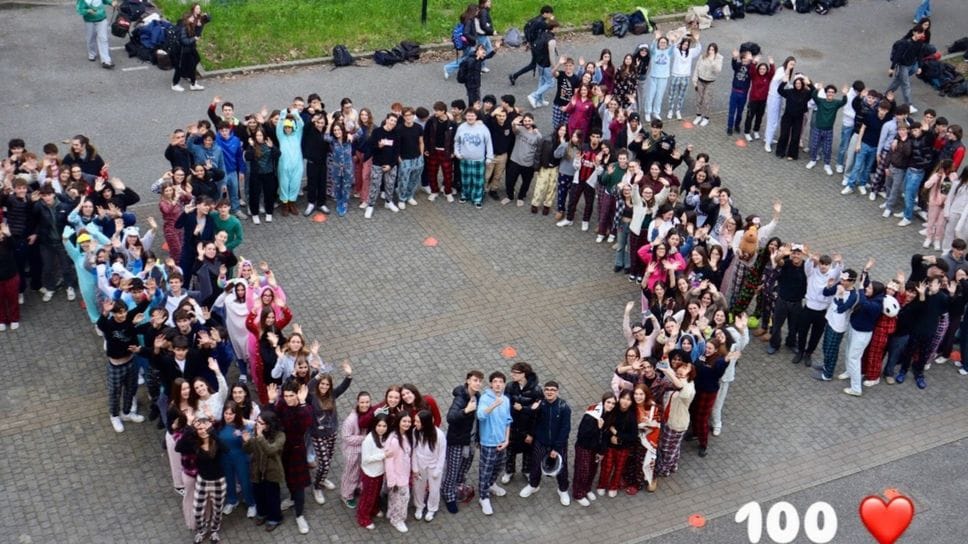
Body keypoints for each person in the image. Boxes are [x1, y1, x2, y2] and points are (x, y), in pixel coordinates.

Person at [267, 380, 313, 534]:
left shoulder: (303, 408)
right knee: (287, 478)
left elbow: (305, 422)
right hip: (283, 449)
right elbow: (270, 418)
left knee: (299, 485)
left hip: (297, 450)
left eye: (291, 395)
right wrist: (271, 401)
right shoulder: (282, 405)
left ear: (297, 395)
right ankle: (292, 499)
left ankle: (300, 515)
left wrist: (301, 403)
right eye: (285, 395)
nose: (288, 398)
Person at [518, 381, 572, 506]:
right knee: (535, 465)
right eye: (547, 389)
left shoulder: (564, 407)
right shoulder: (540, 405)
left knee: (561, 469)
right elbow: (533, 420)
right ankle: (533, 485)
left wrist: (556, 448)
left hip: (558, 444)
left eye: (552, 390)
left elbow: (565, 429)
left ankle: (563, 490)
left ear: (557, 392)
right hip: (541, 442)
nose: (549, 392)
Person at [175, 415, 226, 543]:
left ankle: (214, 530)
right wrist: (190, 429)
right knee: (197, 510)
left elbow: (226, 449)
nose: (203, 431)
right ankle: (202, 530)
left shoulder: (216, 443)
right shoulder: (194, 444)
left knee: (218, 509)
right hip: (202, 481)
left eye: (205, 429)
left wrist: (213, 433)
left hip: (218, 481)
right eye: (200, 429)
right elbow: (178, 447)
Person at [307, 361, 352, 505]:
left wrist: (348, 375)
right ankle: (317, 486)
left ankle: (322, 477)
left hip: (332, 432)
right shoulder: (312, 397)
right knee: (325, 463)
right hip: (317, 434)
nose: (324, 386)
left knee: (327, 459)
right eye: (322, 384)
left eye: (327, 384)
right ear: (318, 384)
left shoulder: (332, 395)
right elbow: (307, 388)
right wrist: (317, 375)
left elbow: (344, 386)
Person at [442, 370, 483, 513]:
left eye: (479, 381)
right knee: (452, 470)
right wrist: (466, 410)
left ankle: (458, 487)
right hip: (457, 441)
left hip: (470, 441)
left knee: (464, 468)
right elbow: (450, 417)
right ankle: (448, 495)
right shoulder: (460, 398)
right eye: (475, 380)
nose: (477, 383)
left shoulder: (478, 397)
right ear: (468, 381)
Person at [242, 409, 286, 531]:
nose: (257, 424)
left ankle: (275, 518)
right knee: (259, 494)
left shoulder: (280, 435)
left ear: (268, 424)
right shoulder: (258, 433)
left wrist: (260, 436)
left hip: (271, 471)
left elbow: (271, 450)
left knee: (272, 496)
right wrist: (246, 442)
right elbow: (249, 450)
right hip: (257, 470)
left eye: (260, 422)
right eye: (257, 421)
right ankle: (262, 513)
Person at [476, 371, 512, 515]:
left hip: (502, 442)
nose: (498, 384)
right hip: (488, 443)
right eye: (495, 381)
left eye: (501, 382)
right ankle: (483, 497)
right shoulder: (485, 398)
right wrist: (493, 405)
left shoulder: (506, 399)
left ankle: (491, 485)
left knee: (498, 467)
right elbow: (480, 416)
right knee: (485, 471)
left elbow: (508, 421)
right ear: (491, 384)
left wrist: (507, 439)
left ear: (504, 384)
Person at [654, 360, 695, 479]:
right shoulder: (677, 379)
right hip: (668, 419)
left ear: (690, 373)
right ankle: (673, 465)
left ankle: (664, 469)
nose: (681, 370)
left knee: (667, 449)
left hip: (676, 423)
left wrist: (668, 371)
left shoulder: (689, 387)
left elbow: (681, 388)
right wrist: (666, 354)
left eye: (686, 368)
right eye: (681, 367)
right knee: (674, 447)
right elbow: (669, 373)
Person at [217, 401, 257, 519]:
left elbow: (249, 446)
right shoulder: (219, 426)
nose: (228, 416)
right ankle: (232, 501)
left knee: (245, 481)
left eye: (231, 414)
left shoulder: (243, 427)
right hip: (225, 458)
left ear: (237, 415)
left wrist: (246, 440)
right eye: (226, 413)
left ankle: (251, 503)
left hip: (240, 458)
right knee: (229, 480)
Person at [571, 393, 613, 506]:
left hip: (596, 448)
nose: (611, 405)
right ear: (603, 402)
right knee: (582, 471)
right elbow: (583, 434)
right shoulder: (591, 415)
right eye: (608, 402)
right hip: (584, 447)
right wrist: (598, 428)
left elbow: (605, 436)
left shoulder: (608, 416)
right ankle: (578, 494)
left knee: (592, 470)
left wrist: (601, 451)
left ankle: (587, 489)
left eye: (613, 403)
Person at [595, 389, 636, 497]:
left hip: (623, 447)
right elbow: (605, 427)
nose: (625, 402)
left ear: (632, 402)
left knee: (619, 468)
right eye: (623, 398)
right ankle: (602, 484)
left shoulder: (632, 416)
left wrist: (617, 435)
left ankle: (614, 486)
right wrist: (611, 435)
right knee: (606, 467)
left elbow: (633, 436)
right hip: (609, 445)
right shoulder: (613, 410)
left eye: (628, 399)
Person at [411, 409, 447, 522]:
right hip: (420, 464)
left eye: (417, 421)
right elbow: (414, 450)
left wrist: (438, 470)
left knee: (434, 489)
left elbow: (442, 455)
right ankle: (419, 506)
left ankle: (432, 508)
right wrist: (415, 468)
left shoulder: (439, 435)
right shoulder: (415, 432)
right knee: (418, 487)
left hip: (434, 466)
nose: (414, 423)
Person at [339, 391, 373, 508]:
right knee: (350, 473)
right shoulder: (351, 419)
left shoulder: (368, 414)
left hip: (362, 450)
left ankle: (355, 488)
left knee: (358, 472)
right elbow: (346, 437)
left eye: (367, 402)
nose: (365, 405)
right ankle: (346, 495)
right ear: (357, 402)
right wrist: (365, 438)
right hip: (351, 451)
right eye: (362, 402)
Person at [455, 109, 494, 208]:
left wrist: (489, 157)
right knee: (465, 179)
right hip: (465, 159)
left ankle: (477, 199)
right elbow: (457, 141)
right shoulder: (461, 127)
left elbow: (488, 143)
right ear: (465, 117)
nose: (470, 117)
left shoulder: (483, 128)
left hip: (479, 160)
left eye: (472, 116)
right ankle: (465, 195)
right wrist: (457, 152)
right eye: (468, 115)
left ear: (476, 117)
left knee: (478, 181)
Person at [357, 413, 390, 529]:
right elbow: (365, 460)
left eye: (384, 426)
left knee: (375, 494)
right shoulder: (369, 440)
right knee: (367, 497)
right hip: (370, 474)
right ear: (374, 425)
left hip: (379, 472)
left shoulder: (384, 437)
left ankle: (374, 509)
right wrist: (383, 455)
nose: (381, 428)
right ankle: (363, 517)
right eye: (379, 425)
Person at [509, 5, 554, 85]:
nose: (551, 15)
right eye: (550, 14)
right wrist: (552, 19)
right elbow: (552, 26)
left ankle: (515, 75)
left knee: (534, 63)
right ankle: (514, 75)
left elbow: (529, 31)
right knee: (534, 64)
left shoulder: (536, 19)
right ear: (545, 13)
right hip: (537, 46)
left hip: (534, 44)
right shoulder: (541, 22)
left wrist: (529, 42)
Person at [384, 412, 413, 533]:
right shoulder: (395, 441)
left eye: (409, 421)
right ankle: (397, 520)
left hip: (403, 474)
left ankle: (391, 513)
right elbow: (389, 462)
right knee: (403, 499)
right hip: (397, 477)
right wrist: (392, 480)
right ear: (398, 422)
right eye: (404, 421)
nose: (407, 424)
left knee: (395, 498)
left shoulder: (403, 435)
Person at [275, 108, 305, 216]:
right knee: (284, 184)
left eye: (290, 127)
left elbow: (301, 125)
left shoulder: (297, 136)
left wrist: (295, 114)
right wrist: (283, 114)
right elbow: (279, 126)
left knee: (295, 184)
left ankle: (292, 203)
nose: (288, 129)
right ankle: (285, 204)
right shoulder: (281, 137)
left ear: (293, 128)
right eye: (286, 127)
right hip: (284, 165)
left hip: (297, 165)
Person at [525, 21, 560, 110]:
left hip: (539, 62)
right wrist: (554, 67)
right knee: (550, 82)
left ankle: (540, 100)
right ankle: (534, 95)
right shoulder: (551, 40)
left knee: (542, 80)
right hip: (546, 63)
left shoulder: (543, 33)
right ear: (554, 28)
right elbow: (551, 55)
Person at [172, 3, 207, 92]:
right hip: (182, 50)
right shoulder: (183, 28)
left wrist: (199, 27)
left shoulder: (191, 25)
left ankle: (191, 80)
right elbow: (184, 41)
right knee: (180, 67)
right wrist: (194, 38)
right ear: (187, 19)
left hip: (190, 48)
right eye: (191, 18)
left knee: (196, 60)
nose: (193, 19)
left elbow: (197, 34)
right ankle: (175, 84)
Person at [666, 31, 701, 120]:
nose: (685, 46)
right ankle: (670, 110)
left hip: (685, 77)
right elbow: (673, 45)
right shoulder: (676, 51)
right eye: (684, 44)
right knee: (672, 95)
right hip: (675, 76)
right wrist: (681, 36)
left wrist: (697, 40)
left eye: (687, 45)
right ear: (681, 44)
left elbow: (698, 49)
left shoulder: (691, 52)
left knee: (681, 95)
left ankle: (678, 111)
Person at [692, 44, 723, 127]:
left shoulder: (719, 58)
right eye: (709, 49)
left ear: (715, 50)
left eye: (712, 50)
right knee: (699, 99)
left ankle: (706, 117)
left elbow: (718, 70)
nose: (710, 51)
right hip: (700, 80)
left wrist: (712, 61)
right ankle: (698, 115)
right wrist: (694, 80)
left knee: (707, 100)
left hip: (710, 82)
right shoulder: (703, 56)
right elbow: (697, 68)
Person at [76, 0, 113, 69]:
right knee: (91, 38)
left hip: (102, 19)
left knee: (103, 38)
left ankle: (106, 60)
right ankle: (92, 53)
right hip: (89, 21)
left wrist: (111, 2)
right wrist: (87, 11)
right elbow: (79, 9)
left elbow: (106, 0)